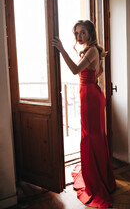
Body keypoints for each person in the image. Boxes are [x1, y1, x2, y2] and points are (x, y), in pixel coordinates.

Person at [51, 20, 116, 208]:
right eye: (77, 33)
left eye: (83, 33)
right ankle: (100, 176)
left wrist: (61, 49)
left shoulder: (93, 50)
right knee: (94, 137)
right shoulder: (94, 50)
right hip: (91, 94)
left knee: (91, 138)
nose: (79, 37)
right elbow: (99, 71)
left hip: (89, 97)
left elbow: (74, 70)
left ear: (90, 34)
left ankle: (96, 180)